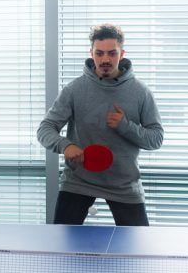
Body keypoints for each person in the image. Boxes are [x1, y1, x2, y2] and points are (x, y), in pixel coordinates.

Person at [37, 24, 163, 226]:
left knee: (137, 252)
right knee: (60, 249)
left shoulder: (140, 92)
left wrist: (125, 125)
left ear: (121, 54)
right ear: (91, 53)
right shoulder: (74, 89)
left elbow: (156, 139)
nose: (105, 59)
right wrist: (65, 145)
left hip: (124, 185)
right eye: (100, 53)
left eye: (112, 53)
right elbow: (45, 129)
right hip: (78, 182)